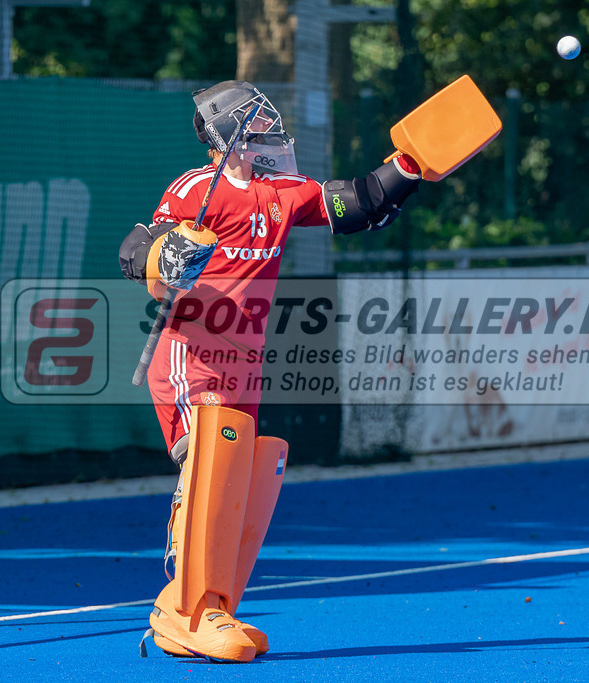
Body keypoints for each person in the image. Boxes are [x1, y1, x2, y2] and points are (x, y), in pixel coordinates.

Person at [122, 80, 421, 663]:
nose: (272, 131)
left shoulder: (282, 193)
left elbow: (357, 202)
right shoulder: (195, 189)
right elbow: (138, 248)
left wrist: (410, 167)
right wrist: (162, 258)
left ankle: (213, 605)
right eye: (258, 123)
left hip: (246, 362)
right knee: (209, 468)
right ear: (227, 134)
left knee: (243, 482)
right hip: (191, 354)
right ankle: (187, 610)